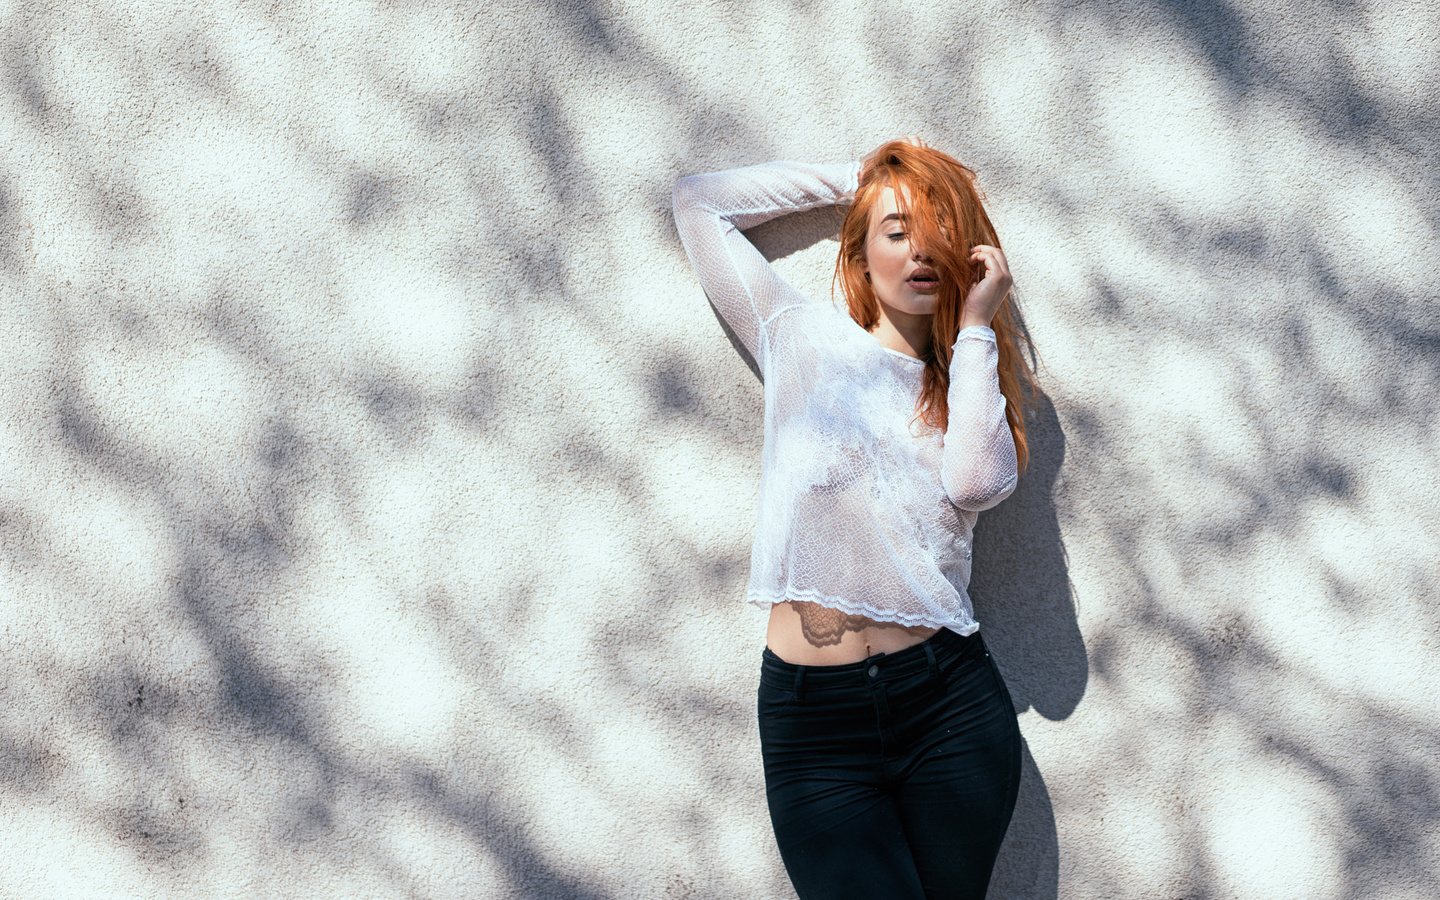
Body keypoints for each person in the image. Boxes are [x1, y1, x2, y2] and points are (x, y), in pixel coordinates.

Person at [672, 138, 1038, 900]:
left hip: (950, 710)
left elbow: (974, 482)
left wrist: (975, 329)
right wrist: (860, 178)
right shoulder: (798, 339)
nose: (917, 251)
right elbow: (698, 203)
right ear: (860, 253)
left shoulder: (969, 386)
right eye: (895, 231)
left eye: (937, 231)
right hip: (816, 730)